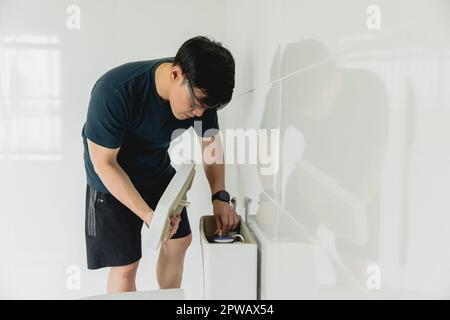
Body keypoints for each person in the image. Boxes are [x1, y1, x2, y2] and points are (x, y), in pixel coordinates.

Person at [81, 36, 240, 293]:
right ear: (176, 74)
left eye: (206, 108)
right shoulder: (114, 92)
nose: (199, 114)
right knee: (126, 266)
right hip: (109, 180)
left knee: (179, 241)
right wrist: (148, 216)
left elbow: (210, 145)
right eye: (196, 104)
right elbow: (104, 163)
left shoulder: (202, 95)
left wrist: (219, 196)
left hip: (154, 168)